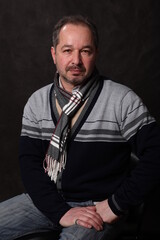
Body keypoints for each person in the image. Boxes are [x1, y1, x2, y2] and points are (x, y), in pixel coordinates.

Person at [0, 14, 160, 240]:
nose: (76, 60)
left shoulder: (122, 99)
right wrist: (61, 211)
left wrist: (116, 204)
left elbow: (156, 156)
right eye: (67, 50)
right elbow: (29, 166)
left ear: (96, 54)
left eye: (85, 51)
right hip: (44, 200)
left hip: (96, 208)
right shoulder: (37, 102)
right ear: (54, 54)